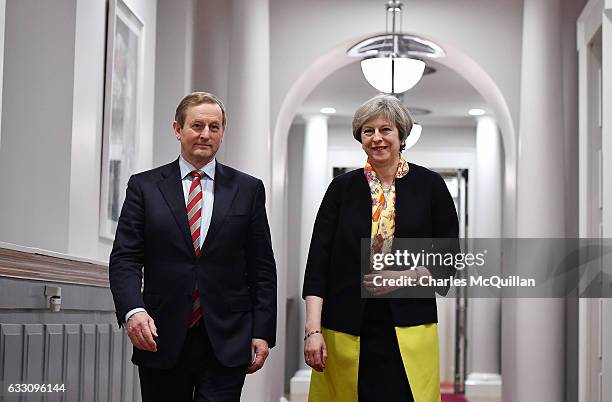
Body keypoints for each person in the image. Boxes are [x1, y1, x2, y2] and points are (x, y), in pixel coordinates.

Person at [109, 92, 277, 402]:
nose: (205, 134)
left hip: (227, 337)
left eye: (215, 127)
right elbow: (125, 259)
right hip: (161, 334)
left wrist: (262, 331)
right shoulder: (144, 187)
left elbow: (262, 267)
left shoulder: (248, 189)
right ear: (177, 129)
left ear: (223, 133)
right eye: (197, 125)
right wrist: (133, 310)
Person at [302, 94, 459, 402]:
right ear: (360, 138)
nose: (377, 138)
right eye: (368, 131)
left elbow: (449, 258)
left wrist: (402, 278)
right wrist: (313, 330)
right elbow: (317, 263)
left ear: (401, 135)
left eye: (385, 130)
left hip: (409, 325)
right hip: (345, 325)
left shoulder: (430, 187)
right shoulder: (341, 189)